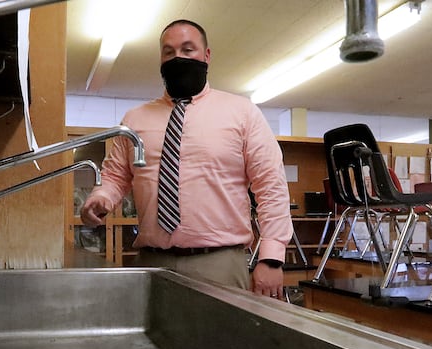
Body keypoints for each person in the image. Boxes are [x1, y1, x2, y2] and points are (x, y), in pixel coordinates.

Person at [80, 19, 293, 299]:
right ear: (160, 59)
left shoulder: (242, 113)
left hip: (220, 264)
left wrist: (272, 257)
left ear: (206, 56)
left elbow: (271, 186)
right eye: (169, 52)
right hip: (151, 263)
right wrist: (101, 197)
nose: (178, 57)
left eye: (188, 49)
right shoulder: (134, 120)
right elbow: (115, 176)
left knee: (219, 343)